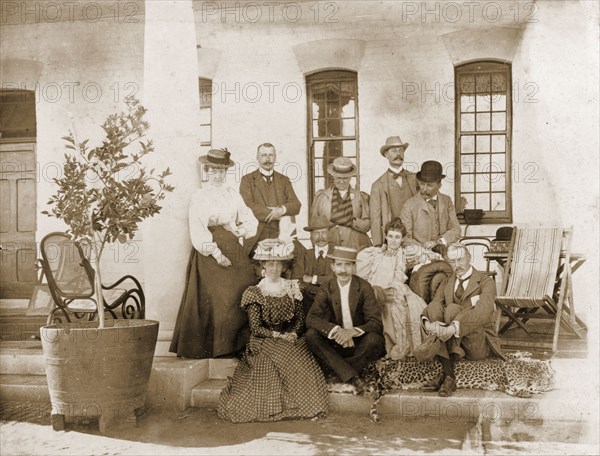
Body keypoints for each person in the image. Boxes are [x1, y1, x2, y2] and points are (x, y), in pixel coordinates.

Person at [217, 239, 330, 422]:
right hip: (264, 339)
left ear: (284, 266)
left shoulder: (291, 287)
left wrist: (293, 333)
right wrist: (278, 335)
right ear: (263, 265)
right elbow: (255, 328)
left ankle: (305, 406)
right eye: (270, 264)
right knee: (280, 358)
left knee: (303, 356)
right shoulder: (255, 292)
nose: (275, 268)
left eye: (278, 264)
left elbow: (300, 318)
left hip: (289, 336)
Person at [170, 148, 258, 359]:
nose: (218, 175)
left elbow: (248, 217)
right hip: (210, 249)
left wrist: (240, 230)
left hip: (231, 243)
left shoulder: (231, 194)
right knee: (220, 293)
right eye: (214, 170)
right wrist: (217, 254)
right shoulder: (200, 197)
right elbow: (198, 229)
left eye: (222, 171)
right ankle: (217, 347)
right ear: (207, 171)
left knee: (246, 281)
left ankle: (237, 344)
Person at [418, 243, 505, 397]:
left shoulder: (486, 282)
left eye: (460, 260)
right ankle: (449, 375)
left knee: (452, 309)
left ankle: (444, 372)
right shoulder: (447, 282)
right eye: (452, 261)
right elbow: (433, 305)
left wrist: (452, 328)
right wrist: (428, 324)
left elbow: (482, 313)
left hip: (475, 341)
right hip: (450, 337)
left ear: (469, 258)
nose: (457, 265)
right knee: (434, 308)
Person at [305, 246, 385, 394]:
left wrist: (353, 332)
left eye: (348, 264)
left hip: (359, 346)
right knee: (311, 336)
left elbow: (376, 323)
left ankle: (338, 373)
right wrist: (335, 330)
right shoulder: (326, 287)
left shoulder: (364, 287)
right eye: (339, 264)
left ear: (354, 267)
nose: (343, 269)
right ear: (333, 267)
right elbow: (311, 318)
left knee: (375, 340)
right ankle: (353, 377)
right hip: (335, 345)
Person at [356, 218, 428, 360]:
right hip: (375, 289)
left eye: (397, 237)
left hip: (395, 288)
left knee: (397, 304)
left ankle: (397, 345)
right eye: (390, 236)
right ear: (386, 237)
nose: (393, 240)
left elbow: (426, 255)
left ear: (402, 239)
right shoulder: (376, 253)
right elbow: (361, 267)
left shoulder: (405, 253)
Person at [239, 143, 301, 257]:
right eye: (263, 155)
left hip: (281, 235)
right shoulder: (247, 180)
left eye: (271, 155)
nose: (267, 159)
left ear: (275, 157)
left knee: (285, 269)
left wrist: (281, 210)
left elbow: (296, 204)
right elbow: (247, 206)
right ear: (257, 157)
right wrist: (274, 213)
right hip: (256, 236)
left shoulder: (284, 180)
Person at [310, 157, 371, 252]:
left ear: (350, 177)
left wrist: (351, 221)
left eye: (345, 178)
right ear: (333, 176)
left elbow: (367, 224)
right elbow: (313, 225)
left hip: (355, 245)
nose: (342, 181)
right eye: (338, 178)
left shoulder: (359, 196)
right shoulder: (322, 196)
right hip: (330, 244)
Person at [400, 160, 461, 253]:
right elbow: (405, 237)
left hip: (445, 253)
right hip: (419, 254)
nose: (424, 189)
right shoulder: (409, 205)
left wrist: (439, 242)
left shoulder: (447, 201)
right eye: (421, 184)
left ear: (439, 185)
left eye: (429, 185)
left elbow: (456, 230)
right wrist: (423, 249)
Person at [370, 136, 418, 247]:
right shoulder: (377, 185)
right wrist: (378, 245)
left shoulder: (415, 179)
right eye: (394, 150)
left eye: (401, 150)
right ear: (386, 155)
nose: (398, 153)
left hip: (414, 239)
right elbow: (375, 219)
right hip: (391, 241)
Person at [290, 215, 336, 317]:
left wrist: (313, 279)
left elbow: (337, 280)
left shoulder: (337, 254)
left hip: (333, 305)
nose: (320, 237)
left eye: (324, 232)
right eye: (316, 233)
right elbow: (297, 279)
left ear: (329, 234)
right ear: (311, 236)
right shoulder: (305, 255)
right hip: (308, 305)